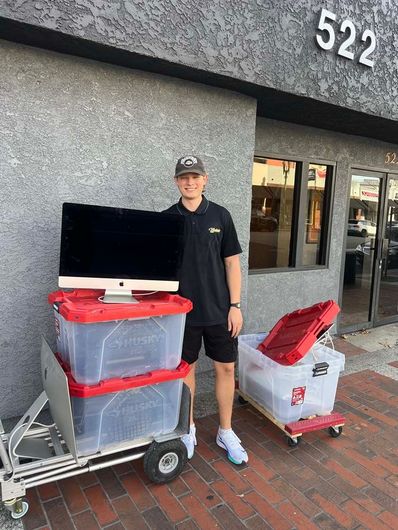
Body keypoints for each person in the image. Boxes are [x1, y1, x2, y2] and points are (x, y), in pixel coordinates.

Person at [165, 155, 248, 465]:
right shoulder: (167, 218)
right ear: (176, 181)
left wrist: (235, 306)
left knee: (225, 368)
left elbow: (231, 264)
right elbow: (161, 270)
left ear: (205, 179)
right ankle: (188, 429)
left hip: (220, 311)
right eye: (184, 177)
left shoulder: (221, 216)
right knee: (185, 372)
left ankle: (225, 430)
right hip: (181, 314)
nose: (190, 181)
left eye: (195, 176)